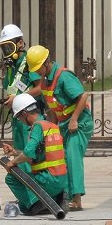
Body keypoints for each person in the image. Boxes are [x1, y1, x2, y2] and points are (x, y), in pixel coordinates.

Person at [26, 45, 93, 211]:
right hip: (63, 123)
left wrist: (74, 119)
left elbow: (83, 96)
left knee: (72, 156)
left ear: (46, 62)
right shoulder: (46, 80)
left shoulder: (63, 76)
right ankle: (65, 196)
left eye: (38, 68)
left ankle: (76, 200)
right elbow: (53, 109)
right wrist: (51, 128)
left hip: (79, 123)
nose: (37, 72)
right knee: (58, 157)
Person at [2, 93, 68, 215]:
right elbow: (36, 155)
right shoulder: (50, 125)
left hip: (47, 179)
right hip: (61, 179)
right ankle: (56, 198)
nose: (20, 121)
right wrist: (15, 152)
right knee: (24, 200)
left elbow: (28, 153)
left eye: (19, 117)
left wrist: (12, 162)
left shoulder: (37, 127)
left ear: (25, 114)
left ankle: (36, 203)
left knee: (12, 178)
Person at [0, 24, 43, 160]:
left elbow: (41, 88)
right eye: (4, 48)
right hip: (18, 116)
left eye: (9, 47)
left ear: (20, 43)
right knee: (19, 156)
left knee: (30, 155)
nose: (7, 51)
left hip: (30, 115)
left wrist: (18, 98)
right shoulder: (11, 66)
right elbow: (12, 88)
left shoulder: (29, 62)